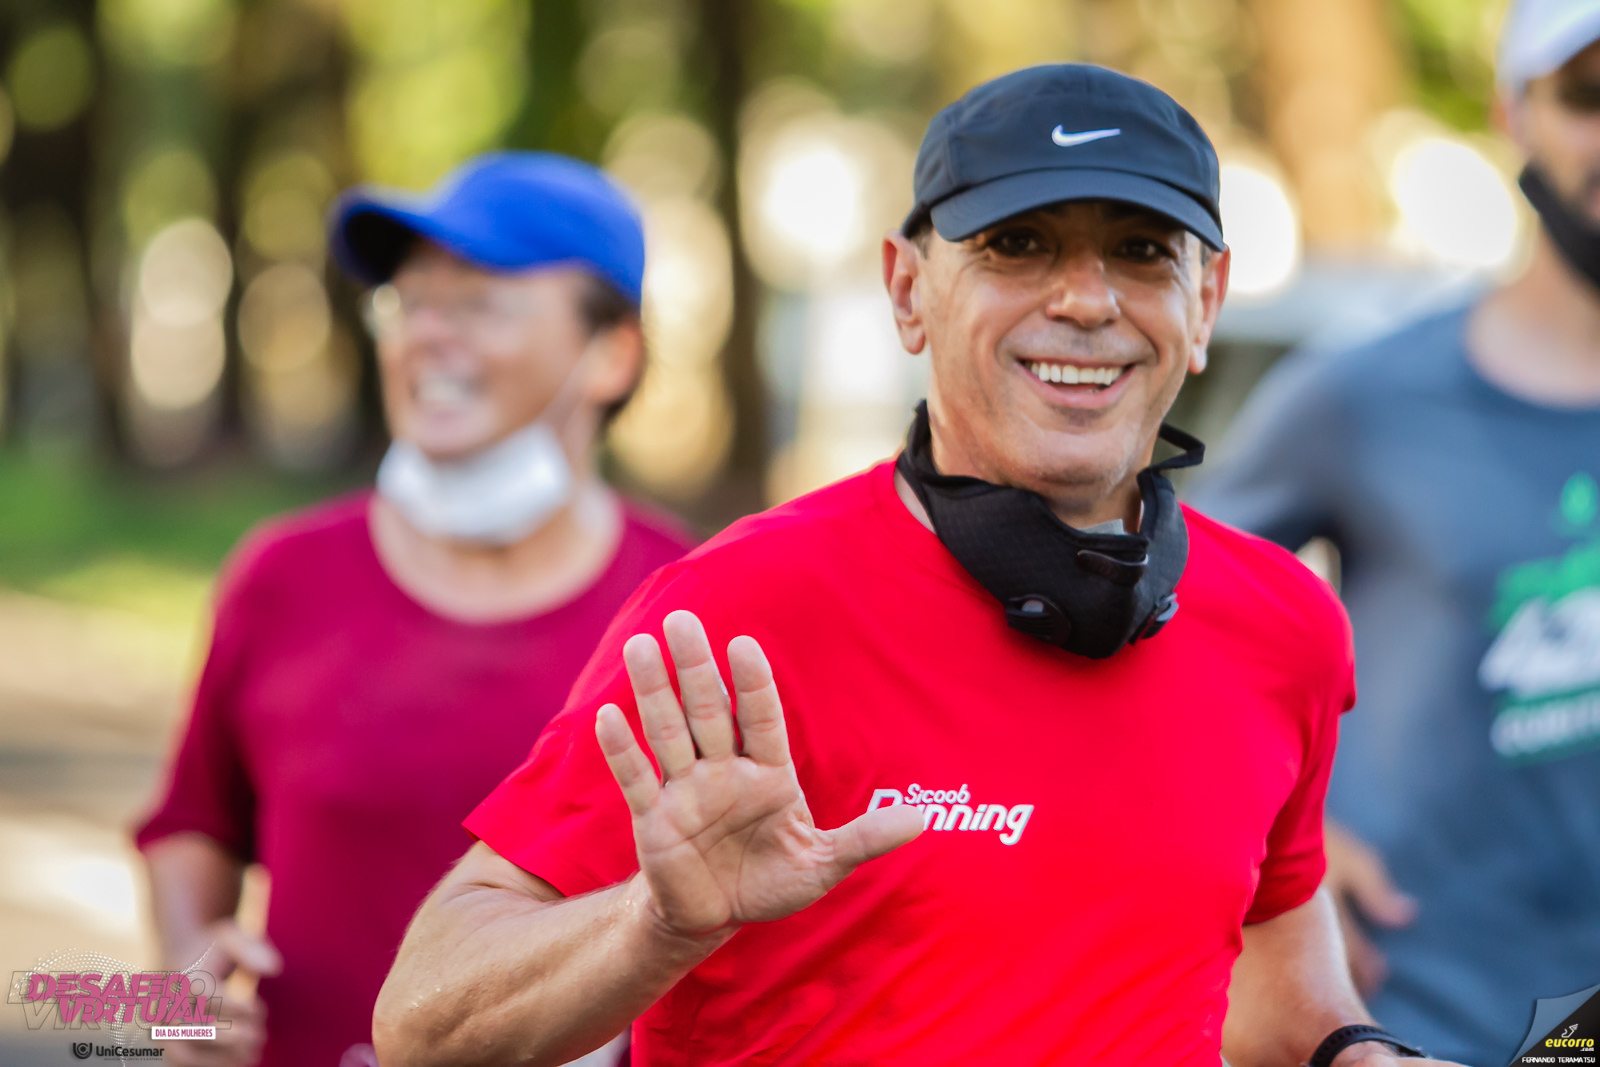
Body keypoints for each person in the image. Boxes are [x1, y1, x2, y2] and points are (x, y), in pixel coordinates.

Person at [372, 67, 1468, 1067]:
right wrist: (654, 924)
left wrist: (1352, 1049)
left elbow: (1267, 932)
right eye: (1018, 244)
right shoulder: (738, 614)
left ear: (1206, 302)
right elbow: (422, 1024)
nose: (1086, 300)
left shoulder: (1285, 623)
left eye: (1141, 251)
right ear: (907, 291)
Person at [134, 152, 694, 1067]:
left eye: (477, 303)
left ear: (611, 353)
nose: (426, 334)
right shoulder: (283, 577)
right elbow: (191, 821)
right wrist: (179, 982)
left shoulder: (691, 601)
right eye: (409, 302)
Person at [1189, 3, 1600, 1063]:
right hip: (1434, 1017)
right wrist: (1283, 835)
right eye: (1587, 95)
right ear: (1514, 111)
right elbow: (1160, 615)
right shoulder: (1365, 398)